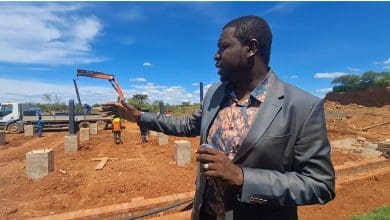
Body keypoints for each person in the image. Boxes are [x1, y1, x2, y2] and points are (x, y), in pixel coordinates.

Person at [103, 15, 335, 220]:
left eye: (223, 47)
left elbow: (320, 184)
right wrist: (140, 117)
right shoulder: (216, 93)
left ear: (251, 48)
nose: (216, 56)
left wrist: (242, 177)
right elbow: (188, 125)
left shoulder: (302, 106)